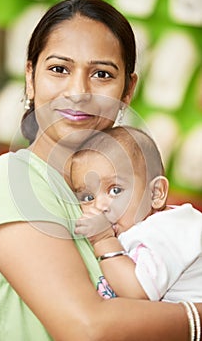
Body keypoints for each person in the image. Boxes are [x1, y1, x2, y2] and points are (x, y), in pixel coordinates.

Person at [0, 0, 201, 341]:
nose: (78, 92)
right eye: (59, 69)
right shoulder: (6, 180)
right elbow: (86, 327)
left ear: (127, 91)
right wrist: (195, 316)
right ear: (31, 78)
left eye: (102, 74)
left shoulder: (131, 194)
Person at [72, 125, 202, 303]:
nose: (100, 205)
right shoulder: (144, 225)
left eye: (115, 190)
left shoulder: (166, 231)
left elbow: (137, 293)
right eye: (88, 196)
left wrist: (104, 240)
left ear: (155, 193)